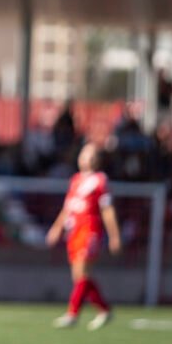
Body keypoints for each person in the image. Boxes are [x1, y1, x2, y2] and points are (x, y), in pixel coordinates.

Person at [46, 142, 121, 331]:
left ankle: (72, 313)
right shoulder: (76, 180)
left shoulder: (100, 180)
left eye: (91, 154)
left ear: (97, 159)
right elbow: (67, 208)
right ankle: (104, 310)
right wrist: (56, 228)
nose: (86, 157)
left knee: (83, 272)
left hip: (90, 229)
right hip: (75, 230)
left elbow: (107, 210)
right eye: (84, 153)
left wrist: (114, 235)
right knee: (79, 276)